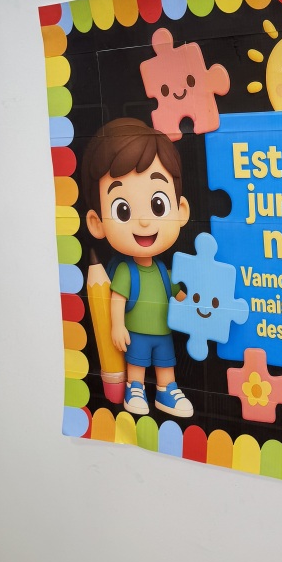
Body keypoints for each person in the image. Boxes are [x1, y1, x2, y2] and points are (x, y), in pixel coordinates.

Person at [82, 118, 193, 417]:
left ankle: (167, 391)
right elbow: (117, 299)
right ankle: (136, 388)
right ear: (97, 222)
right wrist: (117, 326)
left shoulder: (164, 271)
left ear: (181, 211)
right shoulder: (125, 271)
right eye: (123, 210)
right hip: (136, 335)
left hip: (163, 333)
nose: (144, 221)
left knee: (166, 364)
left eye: (158, 205)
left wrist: (195, 306)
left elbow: (179, 294)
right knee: (137, 363)